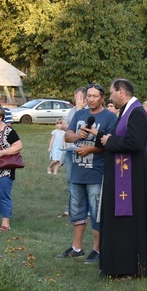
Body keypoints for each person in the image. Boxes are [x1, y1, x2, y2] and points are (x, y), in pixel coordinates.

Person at [97, 79, 147, 278]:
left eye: (111, 92)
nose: (110, 97)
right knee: (120, 221)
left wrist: (110, 141)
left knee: (129, 221)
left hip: (132, 178)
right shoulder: (127, 110)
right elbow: (121, 135)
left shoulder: (137, 112)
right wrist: (102, 136)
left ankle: (129, 266)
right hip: (124, 173)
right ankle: (118, 263)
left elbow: (135, 142)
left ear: (121, 92)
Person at [58, 83, 117, 264]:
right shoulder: (79, 114)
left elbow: (112, 145)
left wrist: (92, 149)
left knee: (96, 212)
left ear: (102, 98)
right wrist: (78, 136)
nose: (91, 99)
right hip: (77, 171)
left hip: (96, 173)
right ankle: (77, 248)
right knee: (76, 210)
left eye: (94, 96)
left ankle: (96, 250)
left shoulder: (109, 117)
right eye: (88, 96)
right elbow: (67, 136)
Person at [60, 87, 87, 217]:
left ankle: (85, 208)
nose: (76, 100)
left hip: (84, 151)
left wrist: (72, 126)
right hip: (71, 150)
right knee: (71, 180)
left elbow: (83, 127)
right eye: (75, 97)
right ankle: (72, 207)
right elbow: (63, 125)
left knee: (84, 180)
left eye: (78, 97)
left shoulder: (89, 111)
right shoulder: (72, 111)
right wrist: (71, 127)